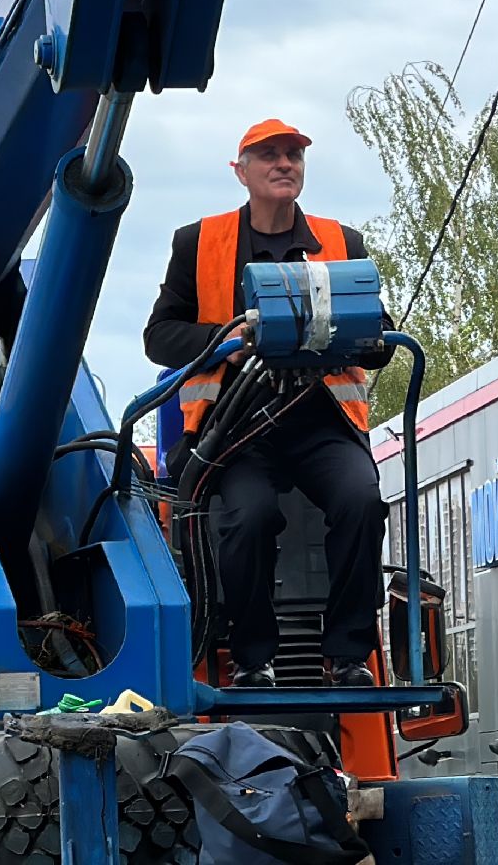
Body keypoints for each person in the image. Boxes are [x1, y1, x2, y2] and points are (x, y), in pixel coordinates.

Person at [144, 118, 394, 689]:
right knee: (247, 517)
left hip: (321, 423)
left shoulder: (341, 242)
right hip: (235, 432)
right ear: (242, 172)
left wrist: (363, 338)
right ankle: (254, 659)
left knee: (360, 498)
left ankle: (349, 654)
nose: (284, 164)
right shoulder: (199, 243)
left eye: (293, 156)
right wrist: (226, 340)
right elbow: (159, 336)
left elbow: (379, 335)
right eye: (270, 157)